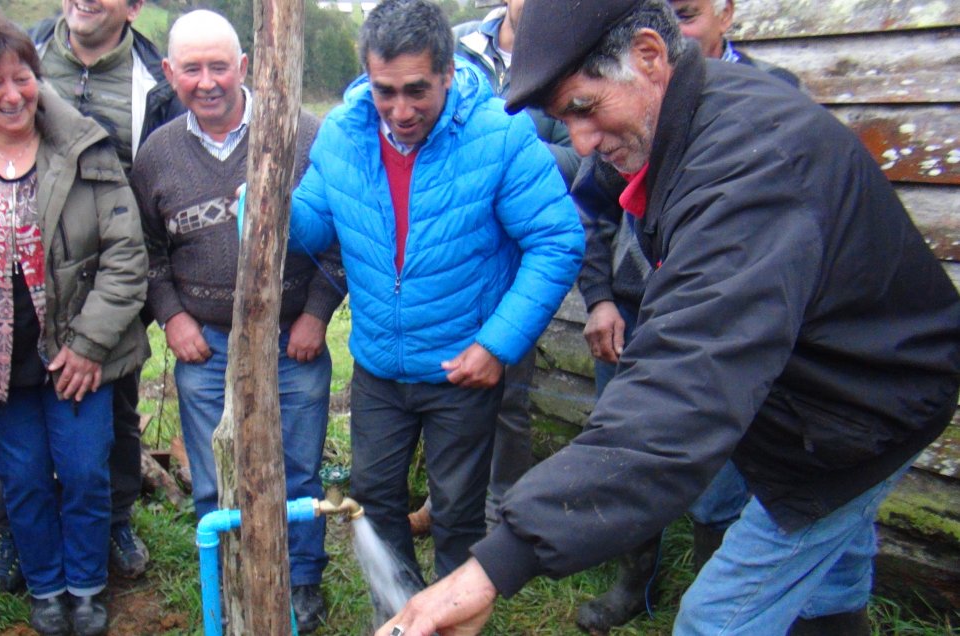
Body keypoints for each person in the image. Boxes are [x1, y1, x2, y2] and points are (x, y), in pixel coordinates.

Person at [378, 1, 960, 635]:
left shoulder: (749, 173)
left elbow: (680, 397)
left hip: (862, 411)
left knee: (715, 619)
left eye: (584, 108)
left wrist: (493, 565)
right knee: (827, 584)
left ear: (651, 57)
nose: (582, 142)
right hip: (819, 392)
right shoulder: (682, 117)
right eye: (563, 119)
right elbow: (599, 197)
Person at [289, 0, 584, 622]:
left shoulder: (499, 136)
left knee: (455, 511)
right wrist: (257, 206)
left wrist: (498, 344)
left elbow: (557, 240)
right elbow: (310, 226)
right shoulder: (343, 132)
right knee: (374, 498)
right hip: (377, 368)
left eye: (416, 91)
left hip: (460, 368)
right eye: (384, 90)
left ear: (448, 73)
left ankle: (451, 618)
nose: (399, 110)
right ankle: (397, 617)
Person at [0, 9, 149, 635]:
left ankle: (86, 586)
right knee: (20, 479)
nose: (12, 94)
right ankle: (46, 588)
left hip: (76, 354)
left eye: (22, 77)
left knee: (82, 470)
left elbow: (127, 254)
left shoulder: (84, 146)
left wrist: (89, 344)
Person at [572, 0, 802, 629]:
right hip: (632, 315)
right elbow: (592, 213)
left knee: (718, 464)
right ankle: (635, 582)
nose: (681, 32)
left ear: (727, 11)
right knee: (623, 451)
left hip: (716, 324)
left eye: (690, 13)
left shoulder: (769, 98)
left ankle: (714, 587)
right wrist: (599, 298)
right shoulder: (620, 111)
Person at [130, 10, 345, 633]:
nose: (207, 81)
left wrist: (314, 315)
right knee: (215, 478)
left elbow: (342, 236)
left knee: (298, 471)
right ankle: (227, 576)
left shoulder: (302, 136)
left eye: (219, 66)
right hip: (205, 346)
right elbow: (146, 250)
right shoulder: (157, 154)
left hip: (292, 340)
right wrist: (171, 318)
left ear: (245, 66)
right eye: (191, 69)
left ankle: (300, 581)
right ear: (170, 74)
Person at [0, 0, 184, 593]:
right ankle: (15, 533)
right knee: (13, 412)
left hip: (115, 272)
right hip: (14, 276)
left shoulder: (153, 81)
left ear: (135, 6)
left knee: (112, 409)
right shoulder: (18, 58)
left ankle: (113, 523)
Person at [405, 0, 584, 539]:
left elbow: (579, 157)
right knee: (443, 387)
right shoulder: (457, 45)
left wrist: (497, 153)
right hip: (448, 252)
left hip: (515, 256)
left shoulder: (569, 54)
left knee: (507, 393)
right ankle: (445, 500)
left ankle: (500, 515)